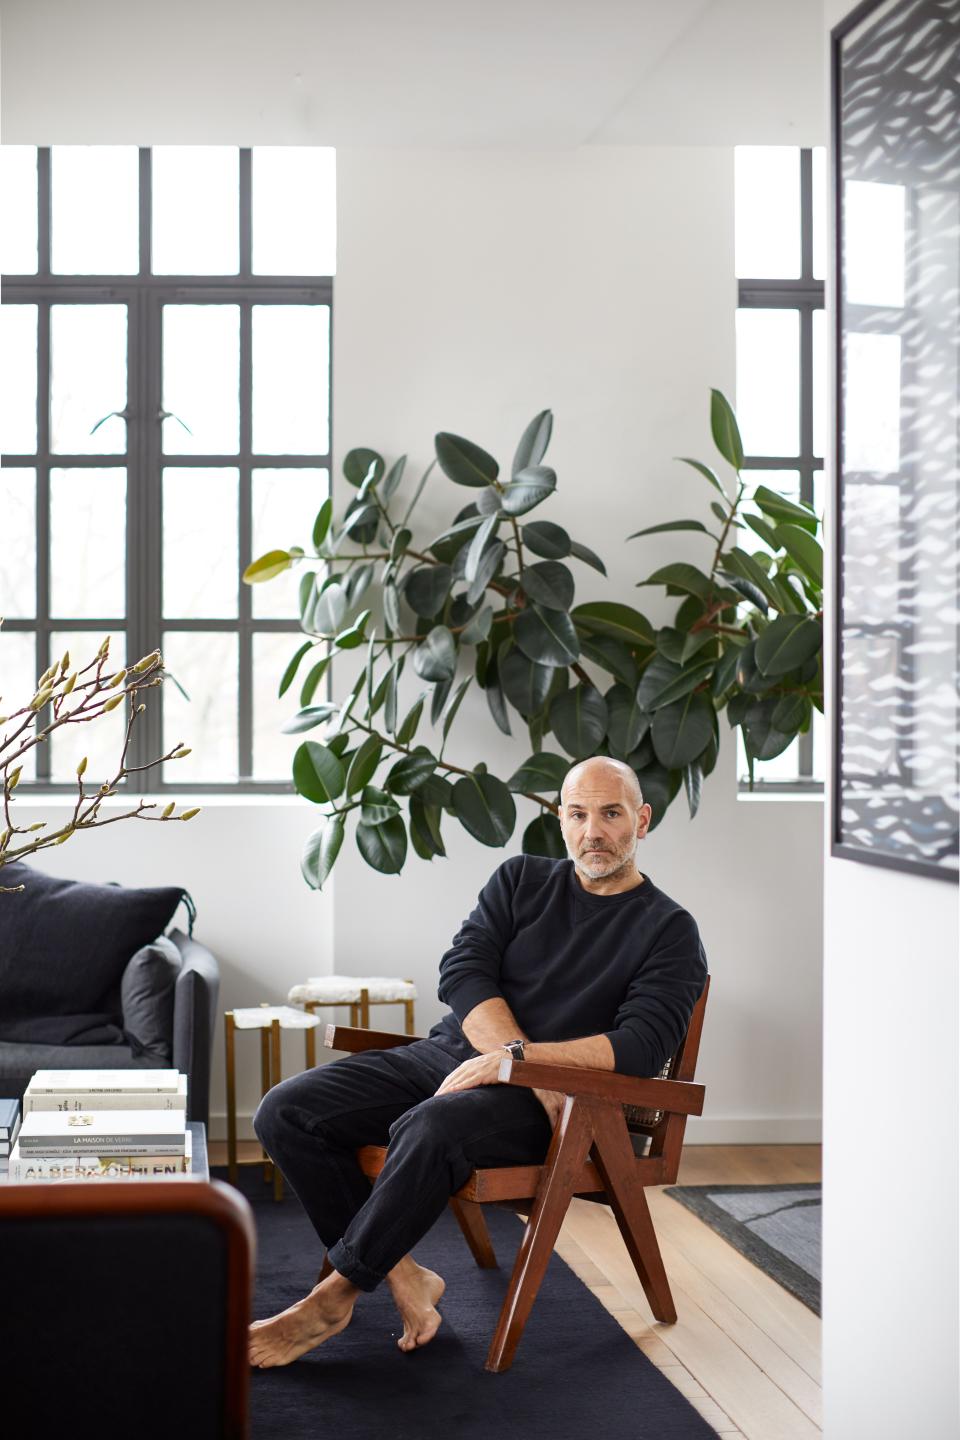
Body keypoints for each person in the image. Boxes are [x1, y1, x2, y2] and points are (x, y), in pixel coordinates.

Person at [248, 755, 707, 1368]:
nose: (592, 831)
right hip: (452, 1059)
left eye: (610, 814)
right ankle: (405, 1276)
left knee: (431, 1125)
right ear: (561, 820)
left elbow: (643, 1046)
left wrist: (526, 1066)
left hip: (563, 1107)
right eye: (577, 814)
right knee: (287, 1109)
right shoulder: (519, 879)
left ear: (642, 821)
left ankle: (336, 1296)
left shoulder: (671, 930)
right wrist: (506, 1056)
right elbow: (462, 971)